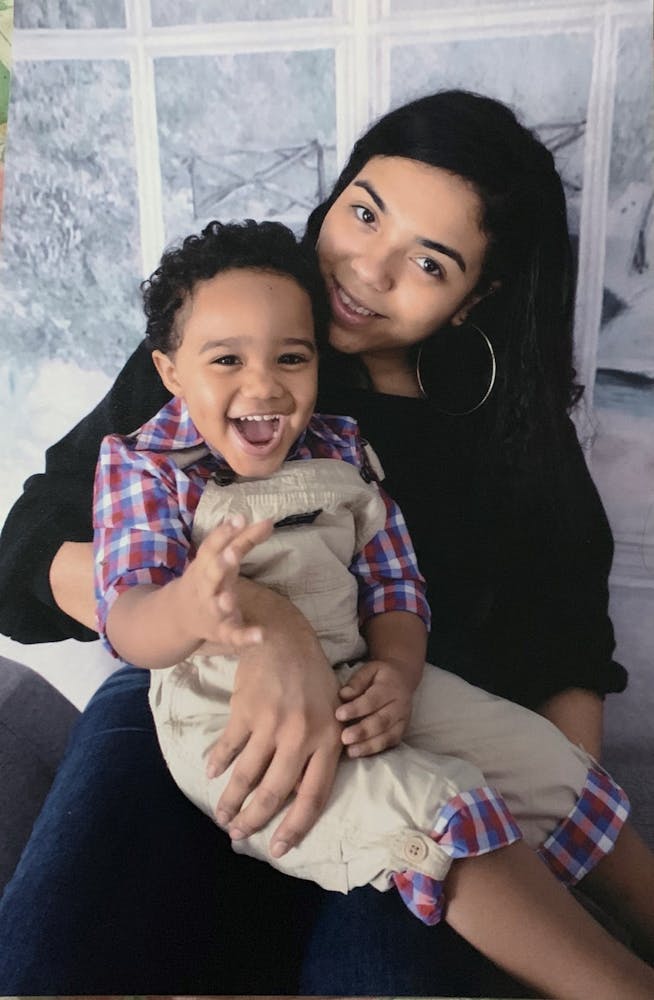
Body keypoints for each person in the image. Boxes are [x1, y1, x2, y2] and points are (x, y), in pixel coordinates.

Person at [0, 90, 646, 995]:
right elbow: (29, 541)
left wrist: (561, 873)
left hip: (401, 732)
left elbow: (569, 648)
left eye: (428, 261)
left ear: (478, 295)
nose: (367, 269)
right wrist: (256, 620)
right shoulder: (241, 336)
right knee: (45, 957)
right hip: (196, 711)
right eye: (364, 211)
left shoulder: (511, 436)